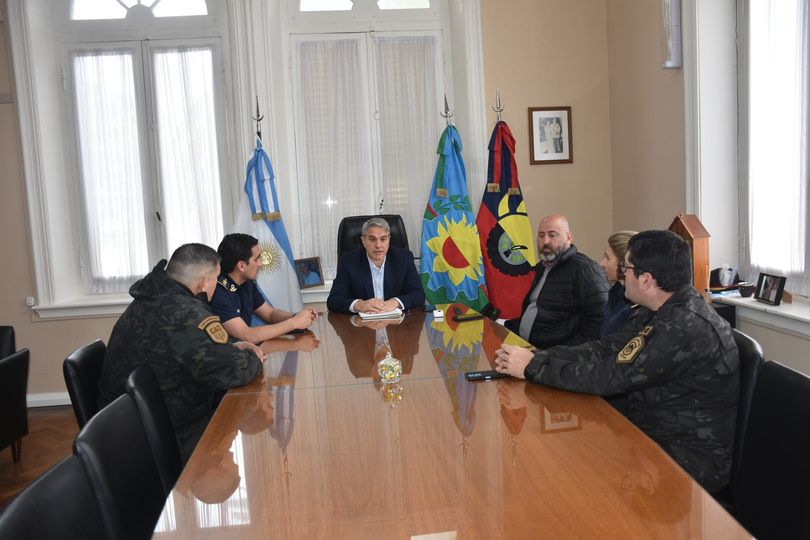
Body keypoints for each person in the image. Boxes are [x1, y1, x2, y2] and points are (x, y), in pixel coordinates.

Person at [495, 230, 740, 492]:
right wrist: (538, 356)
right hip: (646, 433)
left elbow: (610, 376)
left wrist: (532, 368)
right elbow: (607, 348)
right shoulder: (657, 310)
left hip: (684, 459)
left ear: (645, 280)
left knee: (567, 475)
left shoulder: (684, 326)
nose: (622, 272)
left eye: (627, 267)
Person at [98, 243, 264, 463]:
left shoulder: (156, 296)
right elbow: (230, 371)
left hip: (128, 420)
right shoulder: (185, 313)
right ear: (204, 282)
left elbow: (187, 348)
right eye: (216, 278)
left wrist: (232, 347)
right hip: (157, 433)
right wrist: (253, 355)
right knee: (239, 424)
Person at [504, 214, 608, 349]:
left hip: (553, 358)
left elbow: (600, 321)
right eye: (541, 236)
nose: (545, 241)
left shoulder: (585, 269)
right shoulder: (542, 267)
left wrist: (561, 354)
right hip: (526, 347)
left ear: (569, 237)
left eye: (552, 235)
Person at [210, 233, 318, 344]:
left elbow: (270, 314)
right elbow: (247, 335)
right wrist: (294, 323)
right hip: (227, 357)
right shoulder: (218, 292)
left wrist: (297, 316)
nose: (261, 263)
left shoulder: (246, 283)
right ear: (241, 266)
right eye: (257, 259)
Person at [326, 217, 425, 314]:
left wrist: (395, 302)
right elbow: (333, 300)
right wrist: (359, 305)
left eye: (383, 239)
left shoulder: (403, 258)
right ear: (363, 241)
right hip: (361, 326)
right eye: (372, 239)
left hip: (396, 325)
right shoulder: (348, 261)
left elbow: (418, 294)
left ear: (389, 239)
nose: (378, 245)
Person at [599, 230, 638, 336]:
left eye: (607, 258)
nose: (602, 264)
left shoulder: (635, 306)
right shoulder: (616, 292)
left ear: (624, 264)